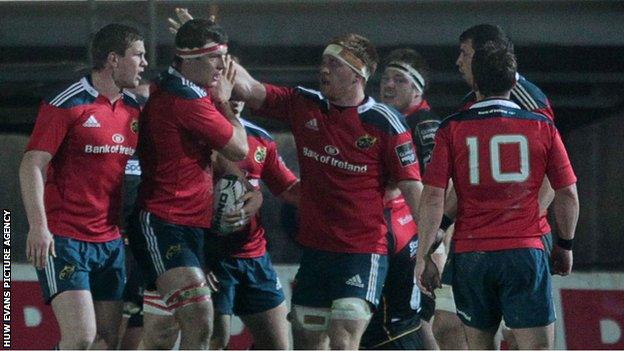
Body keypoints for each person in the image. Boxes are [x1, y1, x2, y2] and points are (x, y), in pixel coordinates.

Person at [234, 34, 423, 349]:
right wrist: (215, 52)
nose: (323, 69)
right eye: (323, 62)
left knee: (344, 339)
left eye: (334, 64)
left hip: (362, 251)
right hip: (316, 253)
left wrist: (431, 248)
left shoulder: (385, 123)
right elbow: (251, 89)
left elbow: (414, 189)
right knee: (308, 342)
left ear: (358, 74)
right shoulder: (303, 104)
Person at [416, 42, 579, 350]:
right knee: (535, 347)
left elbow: (435, 196)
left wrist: (428, 251)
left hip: (471, 255)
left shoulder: (452, 129)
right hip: (524, 252)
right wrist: (564, 245)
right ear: (512, 81)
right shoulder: (542, 126)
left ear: (475, 82)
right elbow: (567, 192)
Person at [19, 24, 147, 349]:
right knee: (81, 339)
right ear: (114, 59)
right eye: (139, 55)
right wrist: (38, 227)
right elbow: (32, 164)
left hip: (110, 242)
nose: (145, 63)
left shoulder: (134, 109)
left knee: (106, 342)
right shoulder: (67, 102)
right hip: (65, 240)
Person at [128, 17, 248, 350]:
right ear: (190, 60)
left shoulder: (179, 85)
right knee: (200, 319)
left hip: (191, 226)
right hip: (165, 223)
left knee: (161, 335)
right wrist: (225, 103)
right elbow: (239, 149)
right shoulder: (187, 100)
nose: (222, 67)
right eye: (215, 59)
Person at [360, 48, 441, 350]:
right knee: (416, 319)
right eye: (385, 79)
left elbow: (437, 190)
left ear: (418, 89)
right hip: (407, 231)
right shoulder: (389, 121)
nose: (388, 85)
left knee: (417, 319)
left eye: (399, 80)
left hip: (415, 233)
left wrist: (437, 244)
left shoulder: (424, 126)